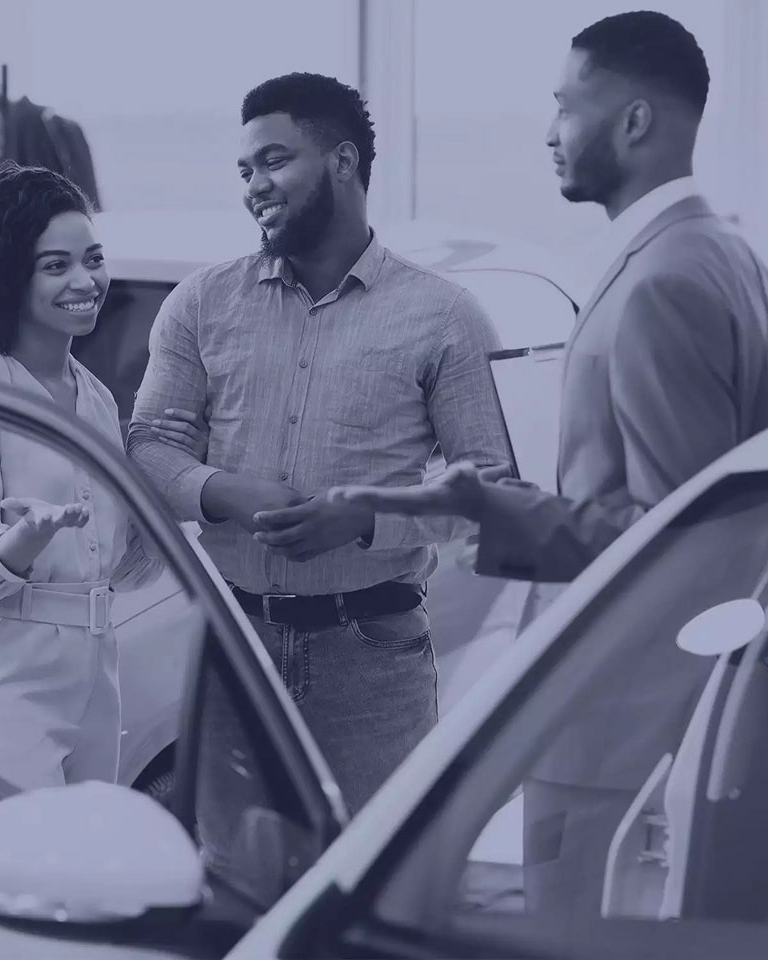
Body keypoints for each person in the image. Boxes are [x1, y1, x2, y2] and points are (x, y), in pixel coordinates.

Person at [330, 11, 768, 918]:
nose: (548, 131)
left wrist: (486, 507)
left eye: (567, 106)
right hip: (662, 718)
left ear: (635, 121)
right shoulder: (721, 253)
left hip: (624, 728)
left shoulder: (665, 280)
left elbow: (673, 542)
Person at [127, 73, 510, 826]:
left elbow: (490, 488)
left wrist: (366, 518)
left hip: (372, 656)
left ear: (342, 160)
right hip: (233, 645)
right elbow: (147, 447)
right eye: (245, 170)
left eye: (274, 161)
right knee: (235, 874)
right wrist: (222, 491)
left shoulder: (444, 315)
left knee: (371, 876)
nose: (254, 186)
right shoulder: (201, 303)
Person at [0, 163, 207, 790]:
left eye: (93, 259)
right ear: (5, 276)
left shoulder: (96, 398)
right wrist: (24, 539)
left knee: (86, 847)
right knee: (19, 847)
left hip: (95, 672)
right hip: (2, 675)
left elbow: (123, 571)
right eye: (56, 266)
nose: (85, 281)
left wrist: (170, 489)